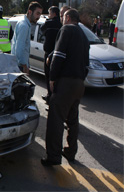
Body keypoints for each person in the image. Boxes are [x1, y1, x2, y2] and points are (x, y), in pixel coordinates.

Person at [41, 9, 90, 166]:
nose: (61, 20)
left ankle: (53, 156)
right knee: (73, 119)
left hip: (66, 82)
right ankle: (70, 151)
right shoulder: (84, 35)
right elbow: (87, 64)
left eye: (62, 17)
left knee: (56, 119)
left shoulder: (66, 29)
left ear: (68, 18)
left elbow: (59, 55)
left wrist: (53, 78)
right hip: (79, 83)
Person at [11, 1, 43, 74]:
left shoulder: (23, 23)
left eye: (40, 14)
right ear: (30, 12)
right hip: (19, 66)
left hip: (18, 64)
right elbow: (19, 47)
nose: (38, 17)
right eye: (37, 13)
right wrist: (24, 65)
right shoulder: (24, 26)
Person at [40, 6, 62, 104]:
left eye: (49, 13)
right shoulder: (61, 24)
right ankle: (55, 96)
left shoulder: (48, 23)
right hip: (59, 53)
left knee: (48, 75)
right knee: (56, 76)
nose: (48, 15)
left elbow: (42, 30)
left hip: (49, 53)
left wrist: (48, 20)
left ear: (53, 14)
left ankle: (50, 97)